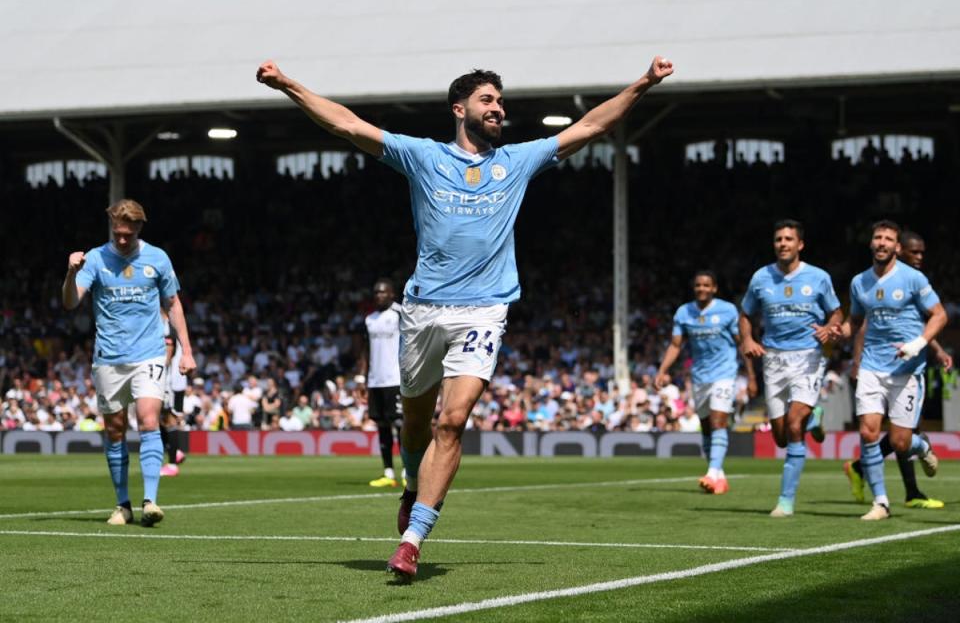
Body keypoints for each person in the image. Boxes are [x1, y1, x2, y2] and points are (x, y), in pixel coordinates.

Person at [257, 53, 674, 579]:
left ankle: (412, 540)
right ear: (460, 109)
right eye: (488, 100)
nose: (499, 108)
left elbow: (591, 125)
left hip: (484, 309)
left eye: (501, 100)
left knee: (451, 422)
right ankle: (411, 486)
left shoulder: (519, 161)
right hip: (424, 309)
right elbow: (346, 123)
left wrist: (644, 83)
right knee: (414, 422)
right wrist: (287, 84)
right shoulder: (422, 156)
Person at [62, 199, 195, 526]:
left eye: (128, 233)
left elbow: (174, 304)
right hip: (109, 357)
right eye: (118, 233)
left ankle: (150, 501)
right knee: (116, 429)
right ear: (112, 227)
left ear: (139, 228)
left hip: (148, 354)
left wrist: (187, 350)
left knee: (149, 421)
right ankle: (123, 505)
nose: (122, 239)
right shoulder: (94, 259)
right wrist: (70, 273)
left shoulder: (157, 258)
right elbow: (70, 302)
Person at [830, 221, 946, 520]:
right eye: (877, 237)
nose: (882, 242)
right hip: (872, 365)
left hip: (906, 369)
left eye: (888, 239)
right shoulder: (859, 282)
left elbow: (939, 315)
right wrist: (836, 332)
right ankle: (880, 502)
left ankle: (921, 447)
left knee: (899, 442)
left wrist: (918, 344)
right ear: (872, 244)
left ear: (897, 247)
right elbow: (855, 323)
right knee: (868, 433)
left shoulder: (912, 278)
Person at [739, 220, 842, 517]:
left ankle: (785, 501)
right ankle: (814, 418)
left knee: (794, 425)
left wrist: (829, 328)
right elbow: (745, 314)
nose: (783, 243)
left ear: (800, 245)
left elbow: (836, 312)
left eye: (788, 239)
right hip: (773, 359)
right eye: (778, 239)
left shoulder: (818, 277)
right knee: (781, 436)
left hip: (808, 357)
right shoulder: (761, 278)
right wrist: (747, 338)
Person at [655, 271, 755, 495]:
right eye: (698, 285)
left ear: (714, 288)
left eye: (706, 285)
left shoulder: (728, 310)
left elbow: (743, 344)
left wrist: (751, 376)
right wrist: (662, 370)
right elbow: (675, 345)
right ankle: (719, 477)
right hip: (699, 377)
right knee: (707, 428)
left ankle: (711, 472)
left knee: (719, 421)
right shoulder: (684, 312)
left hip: (724, 374)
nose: (702, 288)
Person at [360, 278, 405, 488]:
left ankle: (408, 472)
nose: (379, 295)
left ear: (392, 294)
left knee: (400, 424)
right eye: (376, 292)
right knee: (382, 425)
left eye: (383, 292)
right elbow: (365, 350)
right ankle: (388, 473)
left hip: (395, 378)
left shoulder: (400, 314)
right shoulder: (370, 319)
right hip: (375, 381)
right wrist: (362, 377)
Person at [159, 308, 188, 477]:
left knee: (168, 419)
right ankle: (175, 452)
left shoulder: (166, 325)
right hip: (167, 379)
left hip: (167, 379)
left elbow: (169, 350)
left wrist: (159, 371)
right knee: (159, 418)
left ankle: (172, 464)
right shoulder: (163, 324)